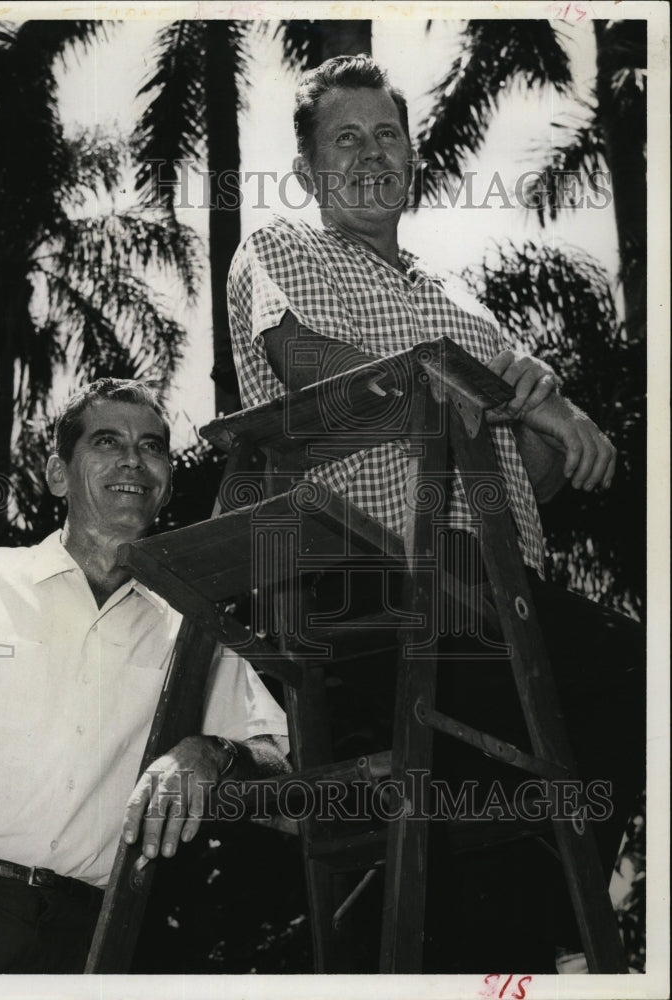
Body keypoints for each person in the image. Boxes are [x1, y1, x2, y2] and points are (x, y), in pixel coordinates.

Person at [227, 55, 644, 972]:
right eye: (346, 138)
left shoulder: (454, 296)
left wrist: (553, 420)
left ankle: (529, 934)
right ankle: (549, 929)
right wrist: (485, 389)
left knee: (589, 722)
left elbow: (530, 480)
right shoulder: (284, 247)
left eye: (387, 135)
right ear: (308, 170)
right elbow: (304, 368)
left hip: (491, 585)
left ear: (412, 157)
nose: (372, 153)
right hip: (365, 575)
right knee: (620, 681)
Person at [0, 379, 290, 974]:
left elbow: (278, 763)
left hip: (88, 939)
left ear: (165, 481)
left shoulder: (190, 631)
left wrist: (210, 753)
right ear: (58, 474)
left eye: (152, 446)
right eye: (107, 441)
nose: (133, 460)